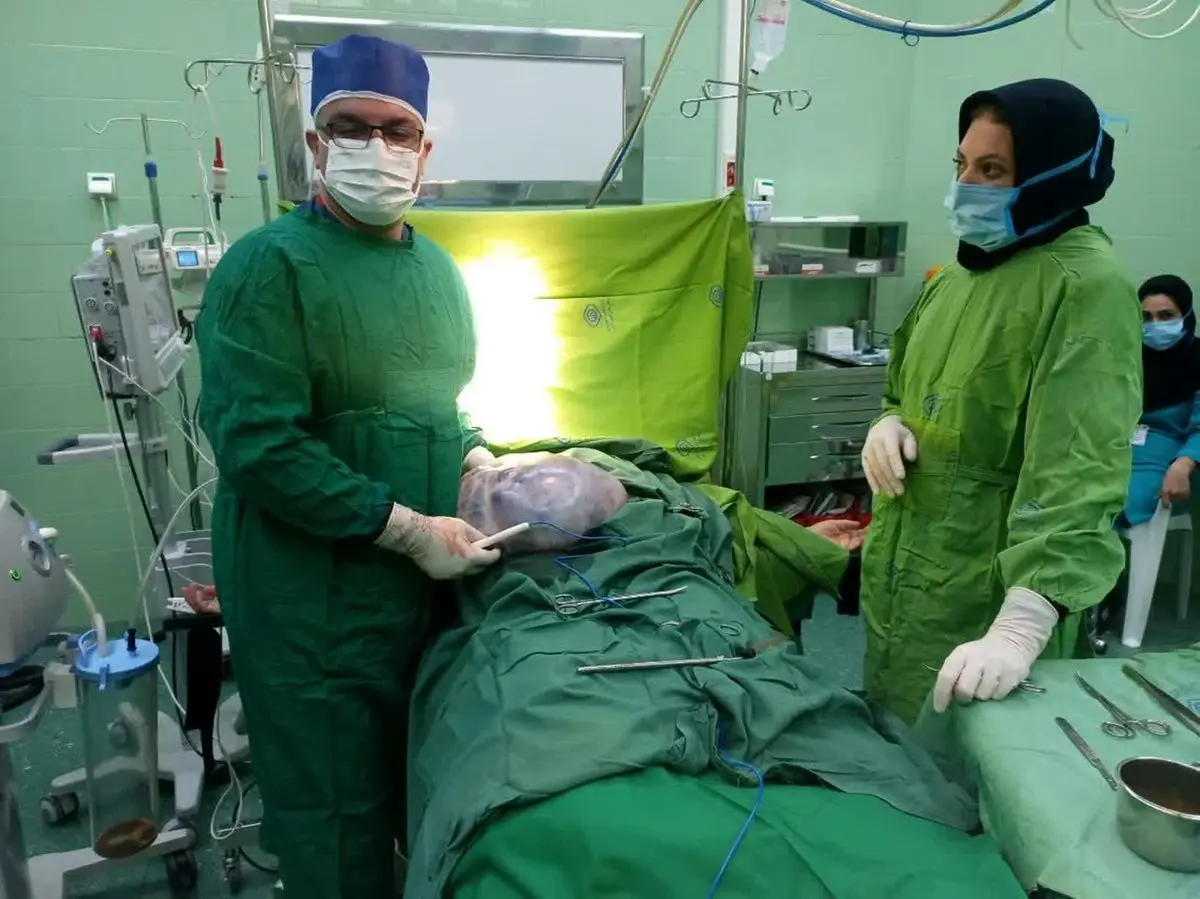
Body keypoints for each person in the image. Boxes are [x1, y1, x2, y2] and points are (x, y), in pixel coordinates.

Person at [195, 35, 499, 898]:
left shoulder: (437, 272)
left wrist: (477, 452)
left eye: (396, 130)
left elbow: (435, 402)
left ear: (424, 148)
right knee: (333, 821)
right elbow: (260, 446)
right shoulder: (268, 268)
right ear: (316, 145)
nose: (376, 146)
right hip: (310, 608)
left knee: (413, 790)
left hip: (412, 601)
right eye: (351, 127)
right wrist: (402, 527)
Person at [858, 78, 1142, 725]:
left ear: (1050, 175)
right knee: (890, 745)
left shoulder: (1084, 287)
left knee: (971, 767)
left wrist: (1023, 621)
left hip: (986, 599)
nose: (965, 186)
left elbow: (1080, 467)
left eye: (992, 170)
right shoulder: (961, 273)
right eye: (961, 164)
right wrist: (890, 420)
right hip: (908, 578)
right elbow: (904, 382)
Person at [1123, 275, 1200, 525]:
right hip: (1111, 455)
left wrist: (1183, 465)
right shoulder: (1126, 359)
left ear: (1186, 315)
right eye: (1146, 317)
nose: (1155, 325)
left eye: (1166, 316)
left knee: (1126, 504)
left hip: (1161, 460)